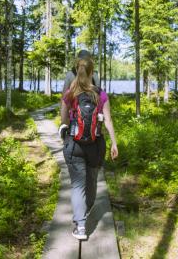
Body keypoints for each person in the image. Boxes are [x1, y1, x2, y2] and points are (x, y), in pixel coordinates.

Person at [60, 56, 118, 240]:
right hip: (96, 145)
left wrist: (64, 130)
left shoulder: (70, 93)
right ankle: (86, 210)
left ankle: (81, 226)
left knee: (78, 186)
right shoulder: (100, 94)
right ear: (92, 72)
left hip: (74, 145)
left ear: (76, 71)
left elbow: (64, 121)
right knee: (91, 182)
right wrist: (114, 143)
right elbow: (108, 120)